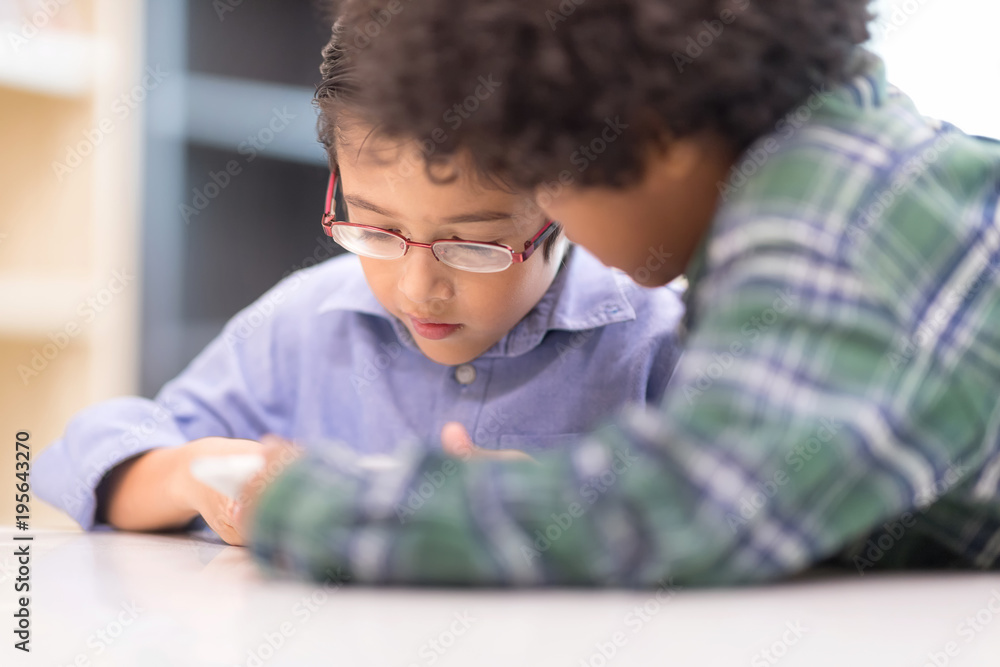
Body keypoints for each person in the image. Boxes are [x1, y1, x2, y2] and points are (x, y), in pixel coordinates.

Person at [239, 0, 1000, 585]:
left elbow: (684, 515)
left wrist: (306, 502)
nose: (550, 213)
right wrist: (550, 495)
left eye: (544, 174)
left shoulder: (833, 224)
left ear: (655, 136)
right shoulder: (858, 161)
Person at [31, 17, 686, 544]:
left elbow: (732, 523)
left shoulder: (656, 342)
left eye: (471, 245)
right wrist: (189, 477)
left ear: (564, 208)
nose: (418, 287)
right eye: (376, 230)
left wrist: (572, 502)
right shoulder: (303, 324)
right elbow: (91, 450)